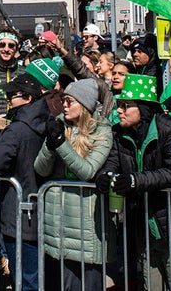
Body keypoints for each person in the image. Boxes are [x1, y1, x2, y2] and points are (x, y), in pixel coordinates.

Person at [100, 73, 171, 291]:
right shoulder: (119, 132)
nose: (119, 111)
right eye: (119, 105)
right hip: (141, 223)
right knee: (151, 285)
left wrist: (135, 181)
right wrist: (104, 178)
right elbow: (112, 163)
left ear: (142, 108)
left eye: (125, 105)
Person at [35, 77, 113, 290]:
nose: (64, 105)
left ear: (85, 104)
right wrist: (50, 145)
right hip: (58, 220)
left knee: (89, 283)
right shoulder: (60, 123)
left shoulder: (102, 131)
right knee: (66, 284)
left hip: (85, 223)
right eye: (64, 100)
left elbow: (87, 171)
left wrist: (60, 144)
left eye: (70, 101)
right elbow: (41, 169)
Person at [0, 73, 50, 291]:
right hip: (40, 207)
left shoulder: (18, 129)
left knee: (24, 277)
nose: (9, 99)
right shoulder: (48, 120)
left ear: (28, 98)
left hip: (19, 212)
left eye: (13, 95)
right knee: (35, 274)